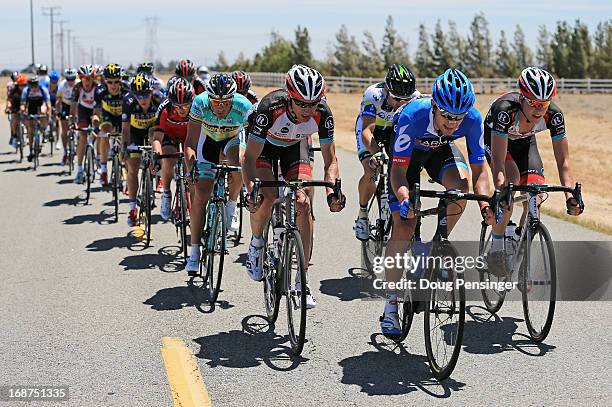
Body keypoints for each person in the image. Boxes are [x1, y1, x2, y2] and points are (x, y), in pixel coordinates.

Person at [380, 68, 494, 335]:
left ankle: (434, 248)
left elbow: (480, 170)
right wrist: (404, 197)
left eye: (459, 117)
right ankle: (391, 303)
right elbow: (397, 173)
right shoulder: (412, 115)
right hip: (406, 159)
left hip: (438, 152)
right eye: (447, 116)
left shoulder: (473, 119)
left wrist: (486, 204)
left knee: (461, 189)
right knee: (404, 225)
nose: (453, 123)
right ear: (434, 106)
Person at [241, 64, 345, 309]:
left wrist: (332, 191)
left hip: (295, 147)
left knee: (302, 202)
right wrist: (250, 190)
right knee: (266, 197)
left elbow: (331, 160)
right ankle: (256, 244)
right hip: (264, 148)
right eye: (302, 104)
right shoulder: (269, 109)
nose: (309, 110)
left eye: (314, 103)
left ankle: (302, 280)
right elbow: (249, 159)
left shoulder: (323, 113)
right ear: (290, 98)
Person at [484, 67, 583, 275]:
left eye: (545, 104)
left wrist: (570, 195)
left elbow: (563, 160)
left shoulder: (554, 115)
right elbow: (499, 163)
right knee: (510, 181)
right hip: (498, 143)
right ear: (522, 98)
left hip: (525, 143)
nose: (540, 110)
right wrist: (502, 191)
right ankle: (497, 246)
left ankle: (521, 248)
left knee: (535, 194)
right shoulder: (505, 111)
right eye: (534, 103)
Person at [184, 74, 252, 274]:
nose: (220, 106)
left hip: (232, 140)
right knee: (201, 194)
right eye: (216, 102)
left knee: (239, 162)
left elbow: (253, 143)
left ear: (234, 98)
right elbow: (190, 142)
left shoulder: (244, 106)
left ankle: (231, 205)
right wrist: (191, 168)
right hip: (208, 143)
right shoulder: (199, 103)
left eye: (225, 102)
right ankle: (195, 250)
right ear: (208, 98)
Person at [353, 64, 422, 241]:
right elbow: (366, 130)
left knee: (400, 168)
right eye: (396, 98)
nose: (400, 103)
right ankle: (362, 214)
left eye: (404, 100)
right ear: (386, 88)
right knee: (370, 170)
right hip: (371, 129)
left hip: (394, 131)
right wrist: (376, 152)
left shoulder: (416, 98)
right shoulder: (374, 94)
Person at [150, 78, 195, 220]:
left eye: (185, 106)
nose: (181, 110)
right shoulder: (165, 108)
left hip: (190, 136)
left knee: (191, 166)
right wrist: (157, 156)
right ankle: (166, 193)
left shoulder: (198, 107)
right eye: (177, 106)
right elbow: (157, 137)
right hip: (170, 136)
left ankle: (191, 197)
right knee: (168, 161)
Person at [122, 73, 162, 226]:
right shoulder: (128, 101)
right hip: (135, 133)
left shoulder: (159, 99)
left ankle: (157, 174)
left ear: (151, 91)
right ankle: (133, 209)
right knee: (132, 167)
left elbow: (163, 128)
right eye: (138, 95)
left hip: (153, 131)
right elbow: (125, 130)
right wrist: (124, 149)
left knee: (156, 141)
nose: (142, 99)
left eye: (145, 94)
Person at [93, 63, 126, 186]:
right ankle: (103, 170)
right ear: (105, 81)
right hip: (108, 115)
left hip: (123, 116)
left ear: (120, 80)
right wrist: (96, 125)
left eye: (116, 82)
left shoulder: (127, 89)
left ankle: (123, 166)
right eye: (110, 82)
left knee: (125, 135)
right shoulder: (100, 90)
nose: (113, 85)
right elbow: (95, 113)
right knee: (104, 132)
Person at [70, 64, 99, 184]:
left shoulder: (98, 88)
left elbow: (101, 107)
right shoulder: (77, 88)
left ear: (93, 78)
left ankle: (97, 157)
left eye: (89, 79)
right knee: (82, 137)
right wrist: (72, 121)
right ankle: (80, 169)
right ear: (81, 78)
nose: (86, 81)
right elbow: (73, 106)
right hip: (82, 110)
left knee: (98, 134)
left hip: (96, 111)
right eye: (84, 79)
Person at [20, 76, 51, 161]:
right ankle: (30, 149)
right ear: (29, 86)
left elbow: (48, 102)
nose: (34, 88)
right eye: (32, 86)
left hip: (41, 104)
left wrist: (48, 112)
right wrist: (22, 108)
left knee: (43, 112)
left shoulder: (43, 89)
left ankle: (44, 130)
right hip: (31, 106)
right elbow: (23, 103)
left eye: (35, 86)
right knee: (30, 128)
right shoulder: (26, 90)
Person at [56, 68, 78, 165]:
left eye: (72, 79)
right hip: (65, 105)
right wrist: (58, 112)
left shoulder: (78, 84)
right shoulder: (62, 85)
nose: (70, 81)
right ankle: (65, 152)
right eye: (68, 79)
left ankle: (77, 142)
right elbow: (58, 101)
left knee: (78, 125)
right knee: (64, 129)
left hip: (77, 105)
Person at [5, 74, 27, 147]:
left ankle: (29, 136)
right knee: (13, 120)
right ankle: (14, 136)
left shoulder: (28, 91)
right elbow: (9, 100)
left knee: (29, 122)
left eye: (23, 85)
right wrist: (8, 107)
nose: (22, 87)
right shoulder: (14, 91)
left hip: (26, 109)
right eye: (20, 85)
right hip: (15, 108)